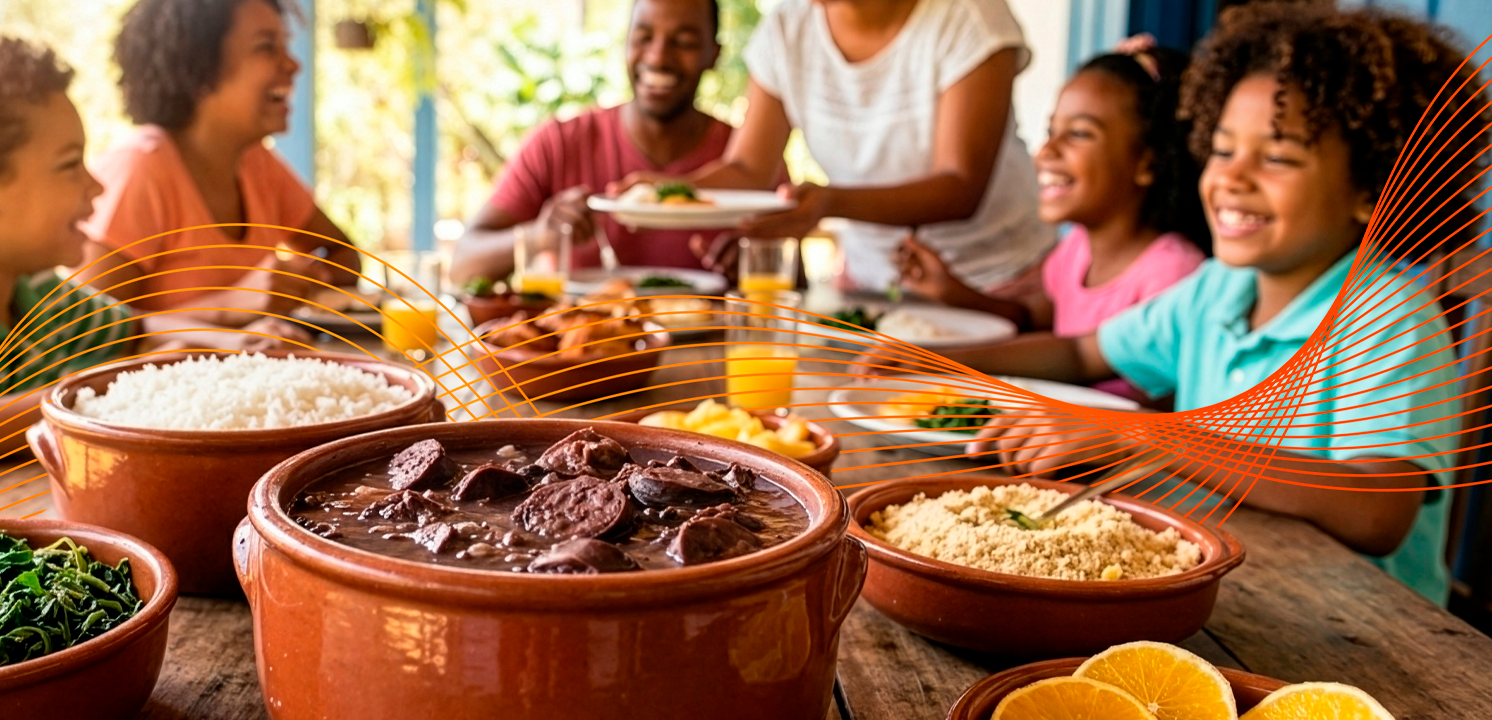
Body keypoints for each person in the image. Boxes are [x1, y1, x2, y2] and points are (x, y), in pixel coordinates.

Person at [887, 3, 1486, 604]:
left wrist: (1143, 434)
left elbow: (1376, 512)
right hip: (1241, 586)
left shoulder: (1390, 315)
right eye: (1222, 150)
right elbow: (1080, 351)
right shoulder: (1219, 287)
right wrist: (934, 358)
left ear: (1371, 188)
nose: (1231, 177)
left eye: (1276, 157)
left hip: (1366, 631)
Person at [0, 31, 307, 533]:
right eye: (70, 165)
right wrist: (69, 404)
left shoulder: (37, 293)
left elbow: (140, 335)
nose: (97, 184)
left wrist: (232, 349)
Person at [620, 0, 1053, 297]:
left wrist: (827, 202)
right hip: (870, 283)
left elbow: (960, 187)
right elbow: (748, 166)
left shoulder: (969, 16)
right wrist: (668, 193)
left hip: (995, 283)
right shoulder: (788, 26)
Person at [893, 36, 1210, 402]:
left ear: (1146, 163)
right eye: (1050, 131)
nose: (1047, 151)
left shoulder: (1173, 273)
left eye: (1078, 134)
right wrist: (950, 291)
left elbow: (1166, 412)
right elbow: (1032, 321)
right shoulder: (1075, 249)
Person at [449, 0, 788, 286]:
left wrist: (756, 259)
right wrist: (539, 235)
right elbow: (463, 265)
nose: (657, 57)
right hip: (590, 355)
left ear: (713, 54)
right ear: (625, 43)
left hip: (712, 355)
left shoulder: (753, 156)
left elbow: (795, 280)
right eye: (643, 37)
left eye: (683, 42)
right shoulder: (559, 143)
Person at [74, 0, 360, 322]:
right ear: (197, 67)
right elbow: (85, 341)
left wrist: (308, 282)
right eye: (267, 47)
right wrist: (232, 305)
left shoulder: (257, 163)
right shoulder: (140, 171)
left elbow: (342, 254)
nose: (294, 65)